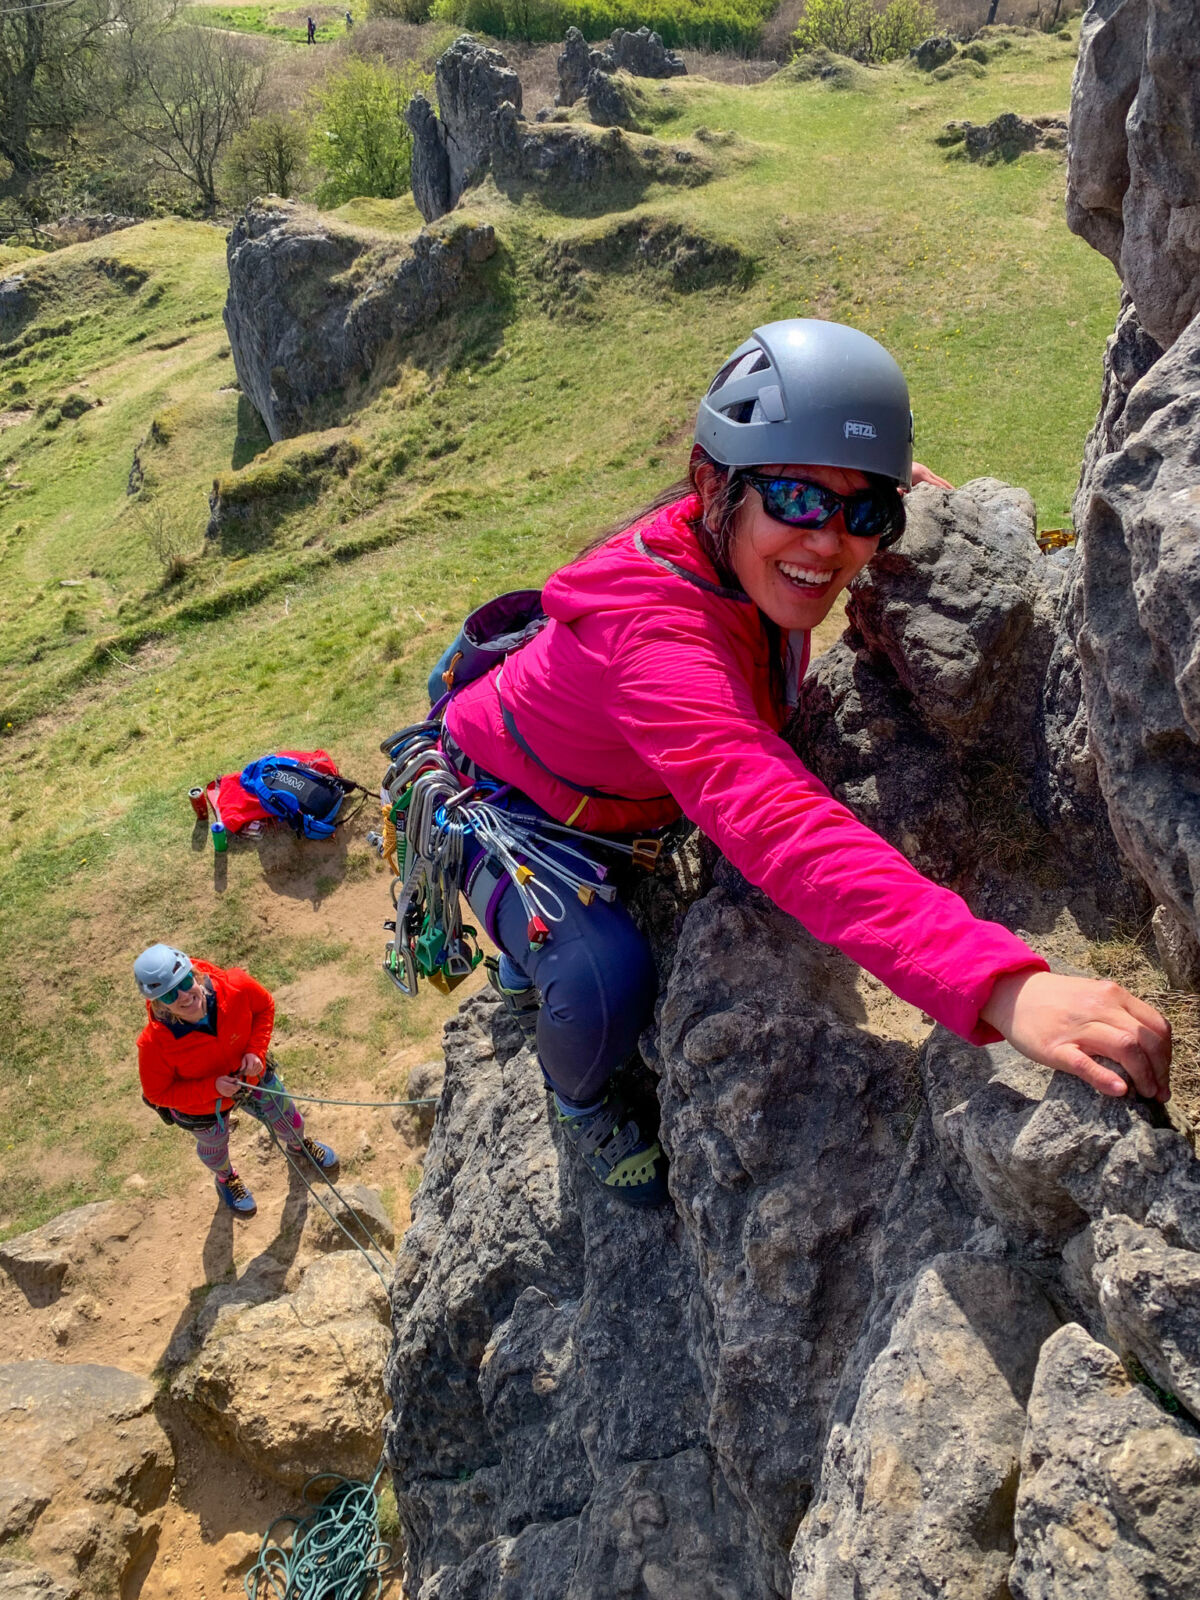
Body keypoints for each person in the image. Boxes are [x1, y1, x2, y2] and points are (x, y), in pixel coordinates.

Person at [438, 318, 1172, 1208]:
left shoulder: (772, 545)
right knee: (603, 982)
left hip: (624, 789)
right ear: (713, 483)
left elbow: (846, 501)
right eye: (794, 498)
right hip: (516, 808)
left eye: (866, 512)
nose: (829, 542)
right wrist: (1000, 982)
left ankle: (532, 955)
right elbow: (769, 815)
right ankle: (574, 1092)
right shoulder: (653, 633)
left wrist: (895, 498)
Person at [135, 944, 338, 1218]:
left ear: (194, 974)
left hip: (251, 1077)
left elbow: (264, 1006)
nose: (184, 995)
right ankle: (226, 1178)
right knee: (214, 1148)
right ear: (159, 1003)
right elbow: (158, 1093)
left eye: (185, 981)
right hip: (205, 1109)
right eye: (171, 994)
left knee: (288, 1118)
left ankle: (298, 1145)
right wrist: (212, 1089)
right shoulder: (153, 1044)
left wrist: (256, 1050)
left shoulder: (236, 986)